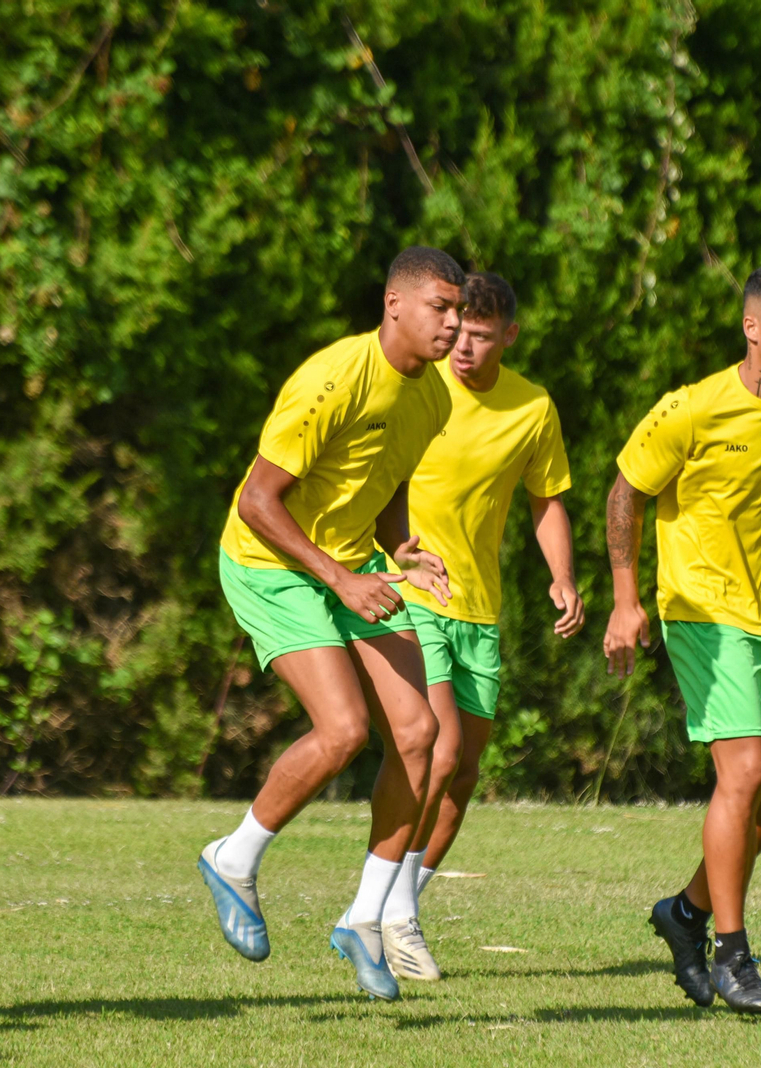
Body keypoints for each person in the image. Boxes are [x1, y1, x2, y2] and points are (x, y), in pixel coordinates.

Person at [197, 246, 462, 1001]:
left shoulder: (433, 397)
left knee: (419, 737)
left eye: (458, 309)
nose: (452, 322)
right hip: (269, 563)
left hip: (352, 564)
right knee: (344, 730)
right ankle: (234, 858)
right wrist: (343, 580)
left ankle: (364, 918)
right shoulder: (333, 378)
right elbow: (258, 502)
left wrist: (401, 545)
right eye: (440, 308)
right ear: (394, 305)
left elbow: (387, 472)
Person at [603, 264, 761, 1014]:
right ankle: (733, 952)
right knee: (742, 772)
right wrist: (626, 603)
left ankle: (683, 913)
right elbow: (626, 491)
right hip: (701, 610)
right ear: (752, 328)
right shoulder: (691, 409)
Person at [373, 272, 583, 982]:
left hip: (479, 610)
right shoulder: (421, 387)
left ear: (510, 336)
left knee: (461, 778)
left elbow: (546, 499)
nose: (463, 349)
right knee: (441, 746)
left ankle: (398, 909)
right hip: (413, 592)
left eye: (482, 336)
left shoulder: (532, 407)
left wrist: (562, 576)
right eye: (458, 331)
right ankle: (383, 913)